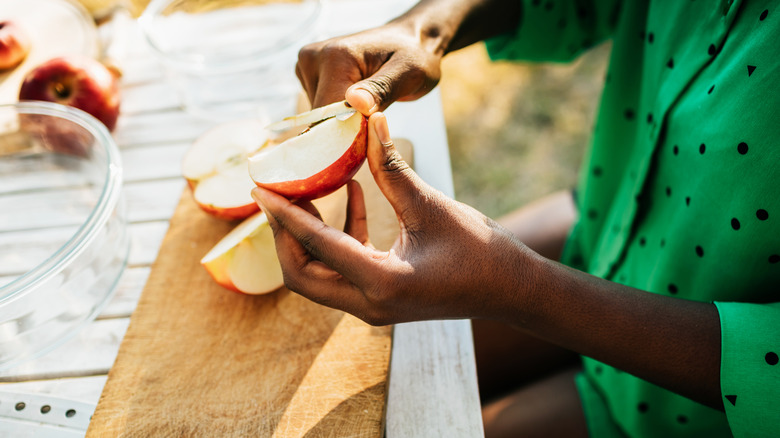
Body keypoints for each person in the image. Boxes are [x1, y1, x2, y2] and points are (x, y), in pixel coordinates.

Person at [250, 0, 780, 436]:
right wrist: (426, 28)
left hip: (692, 407)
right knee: (381, 373)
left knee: (422, 424)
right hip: (603, 231)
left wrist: (523, 291)